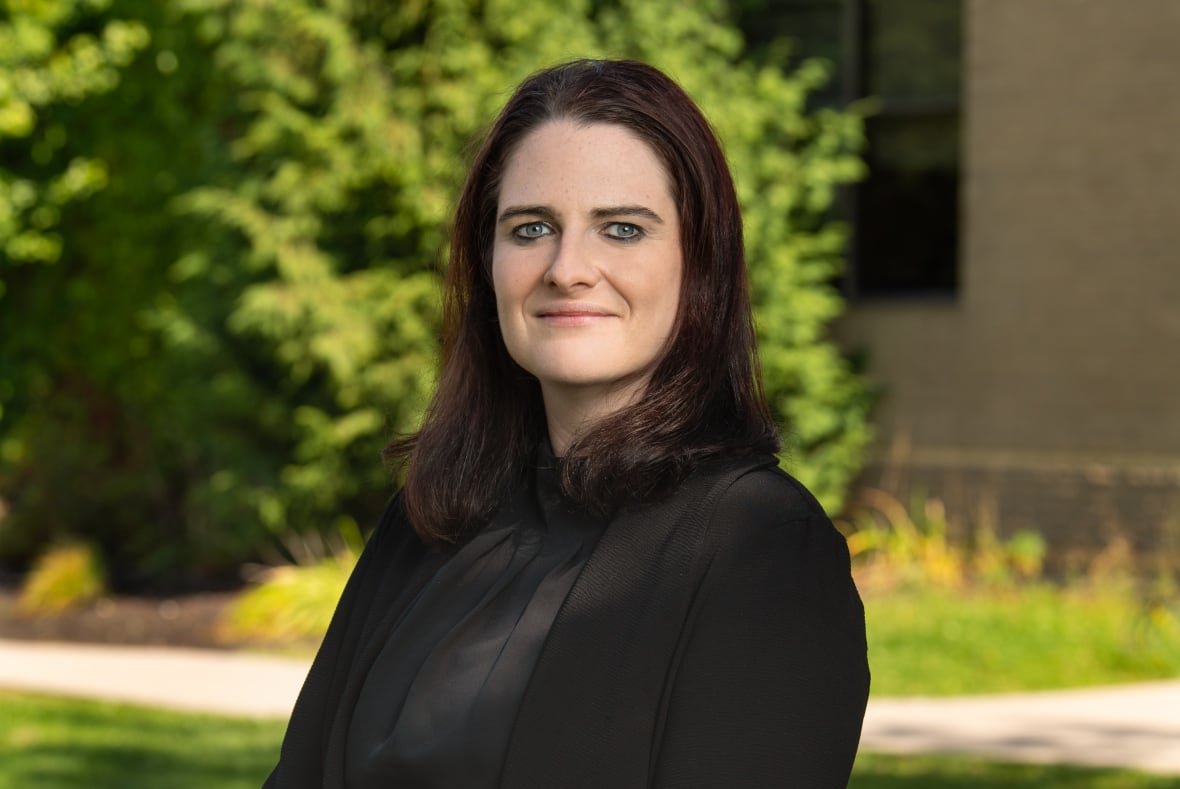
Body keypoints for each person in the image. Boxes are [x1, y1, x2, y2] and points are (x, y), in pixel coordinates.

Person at [264, 59, 868, 789]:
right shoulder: (428, 520)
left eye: (621, 228)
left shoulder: (760, 545)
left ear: (699, 264)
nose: (567, 267)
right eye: (531, 228)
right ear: (487, 265)